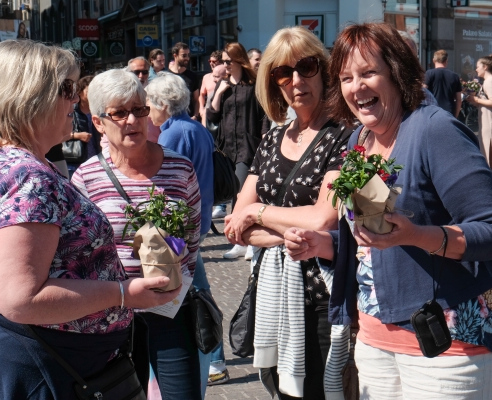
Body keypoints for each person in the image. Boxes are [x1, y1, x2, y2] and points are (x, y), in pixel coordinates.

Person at [284, 22, 492, 399]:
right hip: (375, 341)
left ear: (397, 73)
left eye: (369, 72)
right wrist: (322, 243)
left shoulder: (434, 130)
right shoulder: (360, 140)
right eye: (345, 77)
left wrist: (415, 235)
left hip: (447, 345)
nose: (356, 87)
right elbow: (372, 243)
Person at [0, 39, 179, 399]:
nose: (75, 98)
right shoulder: (27, 175)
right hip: (49, 368)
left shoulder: (9, 158)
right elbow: (20, 297)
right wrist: (123, 294)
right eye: (67, 88)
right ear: (29, 96)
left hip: (47, 359)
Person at [224, 26, 352, 399]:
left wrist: (260, 212)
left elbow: (323, 219)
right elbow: (236, 223)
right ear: (273, 82)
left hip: (324, 295)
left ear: (324, 71)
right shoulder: (272, 138)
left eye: (306, 67)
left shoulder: (344, 136)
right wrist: (284, 229)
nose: (296, 81)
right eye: (283, 72)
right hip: (275, 294)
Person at [72, 69, 203, 400]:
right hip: (115, 318)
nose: (132, 119)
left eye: (139, 109)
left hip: (170, 308)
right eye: (119, 112)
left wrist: (167, 264)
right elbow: (81, 254)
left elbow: (192, 238)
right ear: (99, 122)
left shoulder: (180, 168)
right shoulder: (86, 178)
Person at [146, 71, 230, 391]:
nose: (148, 111)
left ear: (164, 105)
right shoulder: (195, 126)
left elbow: (162, 182)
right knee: (198, 292)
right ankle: (214, 356)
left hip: (181, 228)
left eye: (150, 104)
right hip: (200, 218)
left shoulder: (173, 134)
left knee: (193, 296)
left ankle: (212, 355)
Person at [206, 42, 270, 260]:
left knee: (244, 192)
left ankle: (248, 240)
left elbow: (264, 116)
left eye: (228, 61)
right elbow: (211, 116)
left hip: (248, 145)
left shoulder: (253, 85)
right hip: (226, 147)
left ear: (238, 60)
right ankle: (240, 240)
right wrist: (218, 93)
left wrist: (264, 141)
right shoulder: (224, 86)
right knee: (235, 192)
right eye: (223, 61)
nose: (225, 65)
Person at [466, 54, 492, 178]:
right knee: (487, 150)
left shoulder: (490, 81)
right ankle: (491, 179)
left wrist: (476, 99)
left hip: (490, 121)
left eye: (478, 66)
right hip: (487, 120)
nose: (476, 69)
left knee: (490, 151)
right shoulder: (487, 81)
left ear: (485, 67)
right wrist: (475, 101)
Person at [66, 75, 99, 175]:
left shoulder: (98, 111)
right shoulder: (71, 111)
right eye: (89, 92)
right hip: (76, 161)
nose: (93, 95)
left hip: (97, 160)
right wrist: (78, 135)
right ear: (79, 92)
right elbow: (58, 135)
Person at [167, 42, 200, 120]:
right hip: (170, 119)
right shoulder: (166, 76)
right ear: (175, 55)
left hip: (188, 118)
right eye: (184, 55)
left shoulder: (192, 76)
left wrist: (195, 116)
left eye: (188, 55)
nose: (187, 58)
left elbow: (197, 99)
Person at [425, 50, 463, 117]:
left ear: (433, 60)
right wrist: (455, 116)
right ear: (446, 61)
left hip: (433, 112)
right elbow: (459, 100)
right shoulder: (455, 76)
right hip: (449, 112)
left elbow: (422, 92)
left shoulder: (429, 73)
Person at [199, 50, 223, 126]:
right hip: (208, 111)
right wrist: (201, 109)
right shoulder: (206, 77)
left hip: (221, 113)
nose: (211, 63)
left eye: (214, 61)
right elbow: (202, 95)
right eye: (210, 61)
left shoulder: (226, 76)